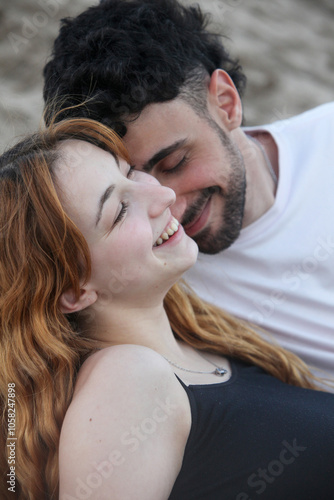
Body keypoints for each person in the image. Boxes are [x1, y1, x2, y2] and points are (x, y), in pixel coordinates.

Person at [1, 117, 334, 500]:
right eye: (121, 210)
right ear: (75, 291)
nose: (164, 196)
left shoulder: (203, 336)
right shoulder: (126, 379)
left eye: (131, 173)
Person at [42, 0, 334, 381]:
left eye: (175, 163)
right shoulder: (142, 275)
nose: (169, 207)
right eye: (129, 188)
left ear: (226, 103)